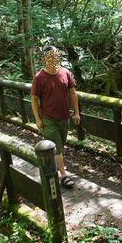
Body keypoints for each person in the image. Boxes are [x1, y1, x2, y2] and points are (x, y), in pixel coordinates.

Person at [31, 45, 80, 188]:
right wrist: (38, 119)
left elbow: (72, 93)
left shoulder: (65, 73)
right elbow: (34, 99)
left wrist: (76, 112)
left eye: (55, 56)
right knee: (57, 148)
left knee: (59, 146)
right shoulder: (39, 77)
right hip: (49, 119)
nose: (53, 59)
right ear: (44, 59)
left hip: (64, 118)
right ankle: (64, 176)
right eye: (50, 56)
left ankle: (52, 166)